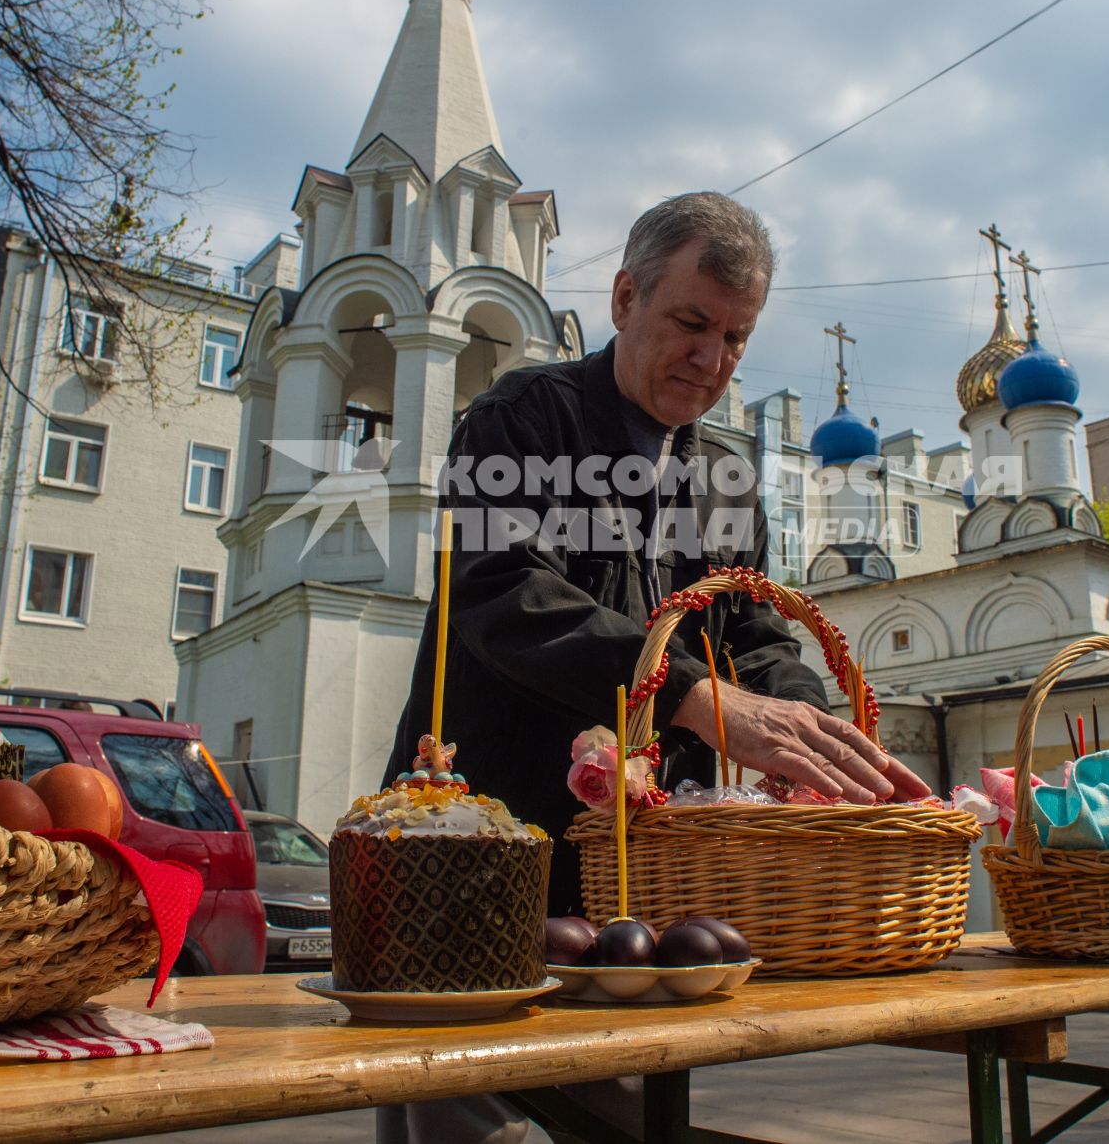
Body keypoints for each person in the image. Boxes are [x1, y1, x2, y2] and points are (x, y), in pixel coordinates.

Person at [375, 192, 929, 1144]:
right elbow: (501, 591)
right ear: (627, 295)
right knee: (464, 1114)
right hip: (478, 847)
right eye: (691, 323)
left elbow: (754, 636)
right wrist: (693, 697)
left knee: (628, 1115)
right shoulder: (519, 421)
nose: (712, 361)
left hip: (636, 877)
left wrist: (822, 740)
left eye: (738, 339)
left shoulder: (724, 476)